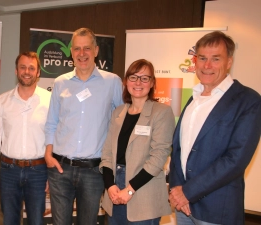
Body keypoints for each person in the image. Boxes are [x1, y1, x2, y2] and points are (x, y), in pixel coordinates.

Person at [169, 31, 261, 225]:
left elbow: (235, 160)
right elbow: (178, 149)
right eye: (202, 58)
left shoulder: (248, 101)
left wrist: (187, 192)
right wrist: (177, 190)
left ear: (229, 62)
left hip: (217, 210)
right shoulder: (193, 99)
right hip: (183, 207)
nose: (207, 66)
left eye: (215, 59)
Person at [44, 27, 124, 225]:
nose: (82, 54)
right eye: (77, 49)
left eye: (86, 48)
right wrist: (48, 155)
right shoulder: (61, 82)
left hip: (93, 171)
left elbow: (121, 122)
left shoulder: (112, 82)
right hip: (61, 169)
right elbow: (52, 122)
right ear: (71, 52)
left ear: (96, 50)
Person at [100, 59, 174, 225]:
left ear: (152, 82)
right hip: (115, 191)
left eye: (144, 78)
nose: (138, 82)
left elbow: (159, 157)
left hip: (143, 191)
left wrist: (130, 190)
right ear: (126, 81)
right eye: (133, 77)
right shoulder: (118, 112)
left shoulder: (162, 112)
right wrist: (110, 185)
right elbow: (107, 154)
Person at [0, 51, 51, 225]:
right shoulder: (3, 100)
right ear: (16, 71)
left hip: (39, 171)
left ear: (38, 72)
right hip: (9, 171)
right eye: (23, 67)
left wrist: (50, 175)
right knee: (9, 221)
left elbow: (54, 139)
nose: (27, 71)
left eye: (32, 68)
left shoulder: (49, 100)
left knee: (36, 221)